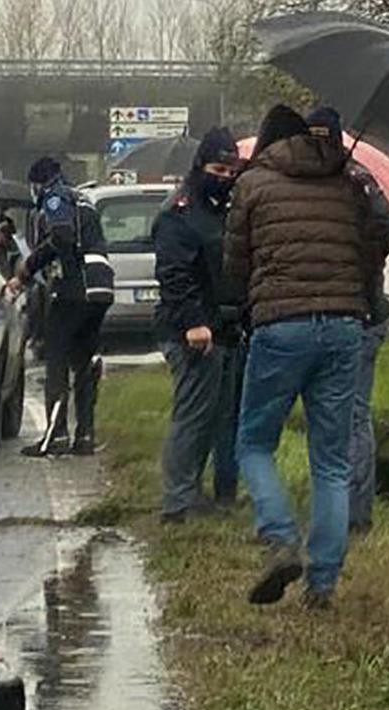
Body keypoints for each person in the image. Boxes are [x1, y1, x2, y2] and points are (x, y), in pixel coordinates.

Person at [226, 105, 379, 610]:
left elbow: (235, 262)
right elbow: (375, 242)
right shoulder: (348, 183)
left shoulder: (254, 183)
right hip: (343, 326)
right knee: (332, 462)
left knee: (253, 442)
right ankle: (323, 584)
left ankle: (279, 537)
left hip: (281, 325)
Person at [304, 107, 389, 536]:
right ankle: (353, 513)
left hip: (340, 314)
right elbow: (388, 226)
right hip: (366, 312)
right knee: (354, 416)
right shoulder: (362, 181)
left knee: (332, 414)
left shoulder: (312, 181)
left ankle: (338, 511)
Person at [152, 127, 245, 524]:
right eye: (217, 167)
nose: (224, 175)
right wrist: (193, 322)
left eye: (230, 169)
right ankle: (177, 502)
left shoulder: (221, 209)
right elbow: (174, 274)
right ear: (200, 165)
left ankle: (203, 494)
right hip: (192, 331)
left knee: (221, 417)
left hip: (226, 329)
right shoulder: (180, 212)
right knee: (193, 416)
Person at [14, 156, 111, 457]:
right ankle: (85, 435)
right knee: (84, 362)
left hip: (72, 289)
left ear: (38, 183)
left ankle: (56, 434)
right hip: (100, 287)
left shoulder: (55, 198)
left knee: (56, 359)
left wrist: (29, 265)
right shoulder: (82, 198)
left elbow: (62, 236)